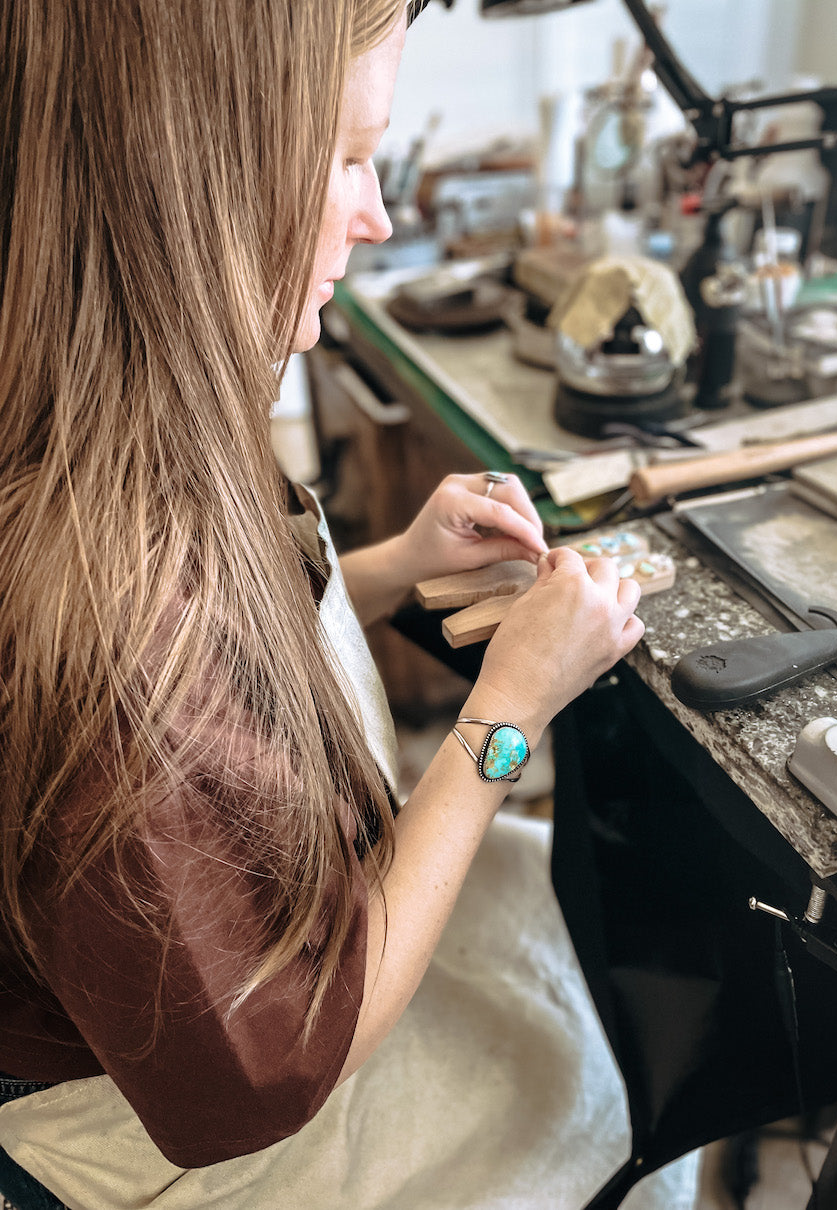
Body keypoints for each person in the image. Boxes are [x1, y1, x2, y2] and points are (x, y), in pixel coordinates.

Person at [0, 1, 644, 1206]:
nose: (381, 213)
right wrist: (510, 711)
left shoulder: (139, 407)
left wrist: (395, 559)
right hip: (181, 1127)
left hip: (301, 921)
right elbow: (266, 1076)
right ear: (198, 165)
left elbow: (221, 659)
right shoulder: (88, 602)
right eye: (348, 157)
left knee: (587, 932)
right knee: (608, 1089)